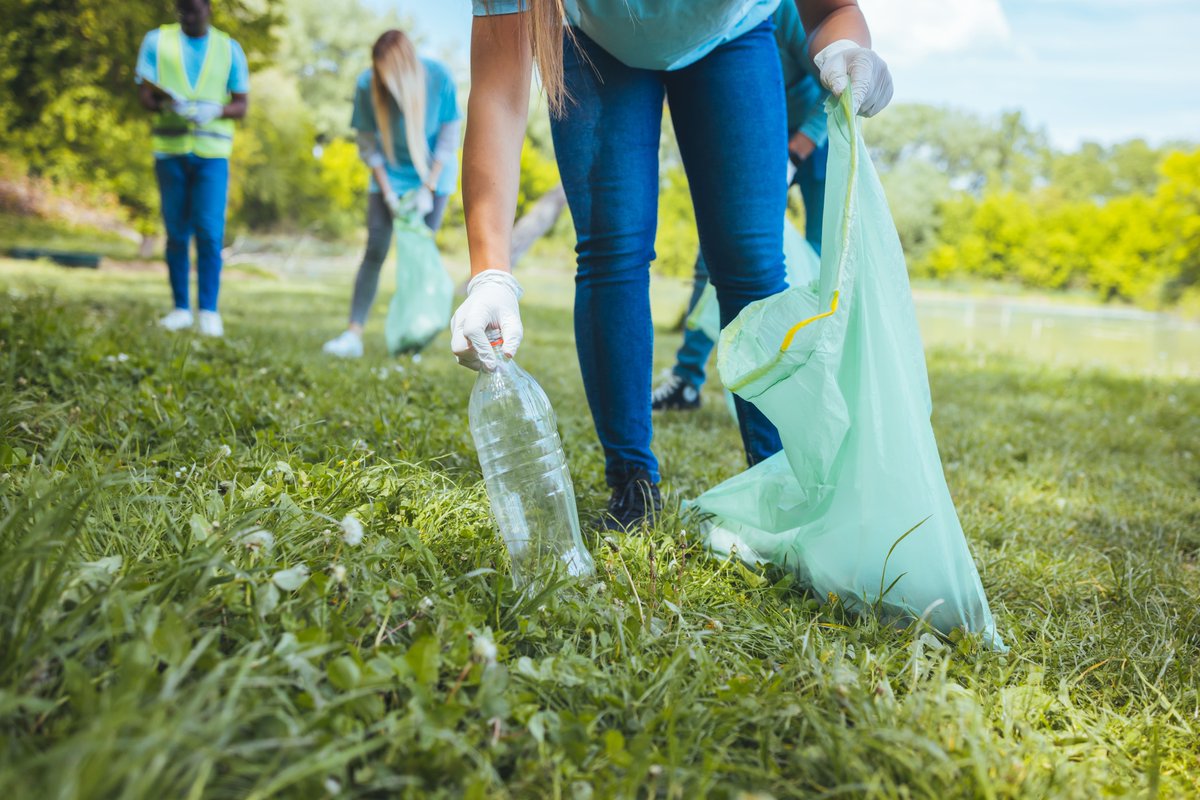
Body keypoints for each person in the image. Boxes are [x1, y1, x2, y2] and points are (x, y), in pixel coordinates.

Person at [452, 0, 892, 529]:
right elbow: (499, 95)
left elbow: (831, 11)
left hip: (732, 38)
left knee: (750, 262)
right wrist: (490, 274)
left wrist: (846, 47)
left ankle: (778, 476)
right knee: (613, 249)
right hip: (591, 42)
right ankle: (632, 481)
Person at [653, 0, 830, 411]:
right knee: (718, 252)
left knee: (823, 258)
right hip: (755, 135)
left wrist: (793, 154)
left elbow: (830, 91)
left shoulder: (783, 10)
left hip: (816, 140)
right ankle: (686, 378)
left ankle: (816, 379)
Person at [322, 31, 462, 359]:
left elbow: (448, 138)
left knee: (418, 257)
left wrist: (428, 188)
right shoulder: (366, 85)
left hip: (432, 177)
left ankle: (413, 336)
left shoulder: (439, 77)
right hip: (389, 177)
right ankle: (353, 334)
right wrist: (387, 193)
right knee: (375, 251)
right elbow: (368, 144)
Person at [136, 0, 250, 338]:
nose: (187, 17)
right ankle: (181, 308)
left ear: (208, 8)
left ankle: (209, 311)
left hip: (212, 154)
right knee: (176, 233)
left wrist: (217, 111)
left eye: (194, 10)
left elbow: (241, 104)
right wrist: (164, 103)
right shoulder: (157, 41)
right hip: (170, 151)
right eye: (181, 10)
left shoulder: (229, 49)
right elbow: (144, 95)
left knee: (210, 233)